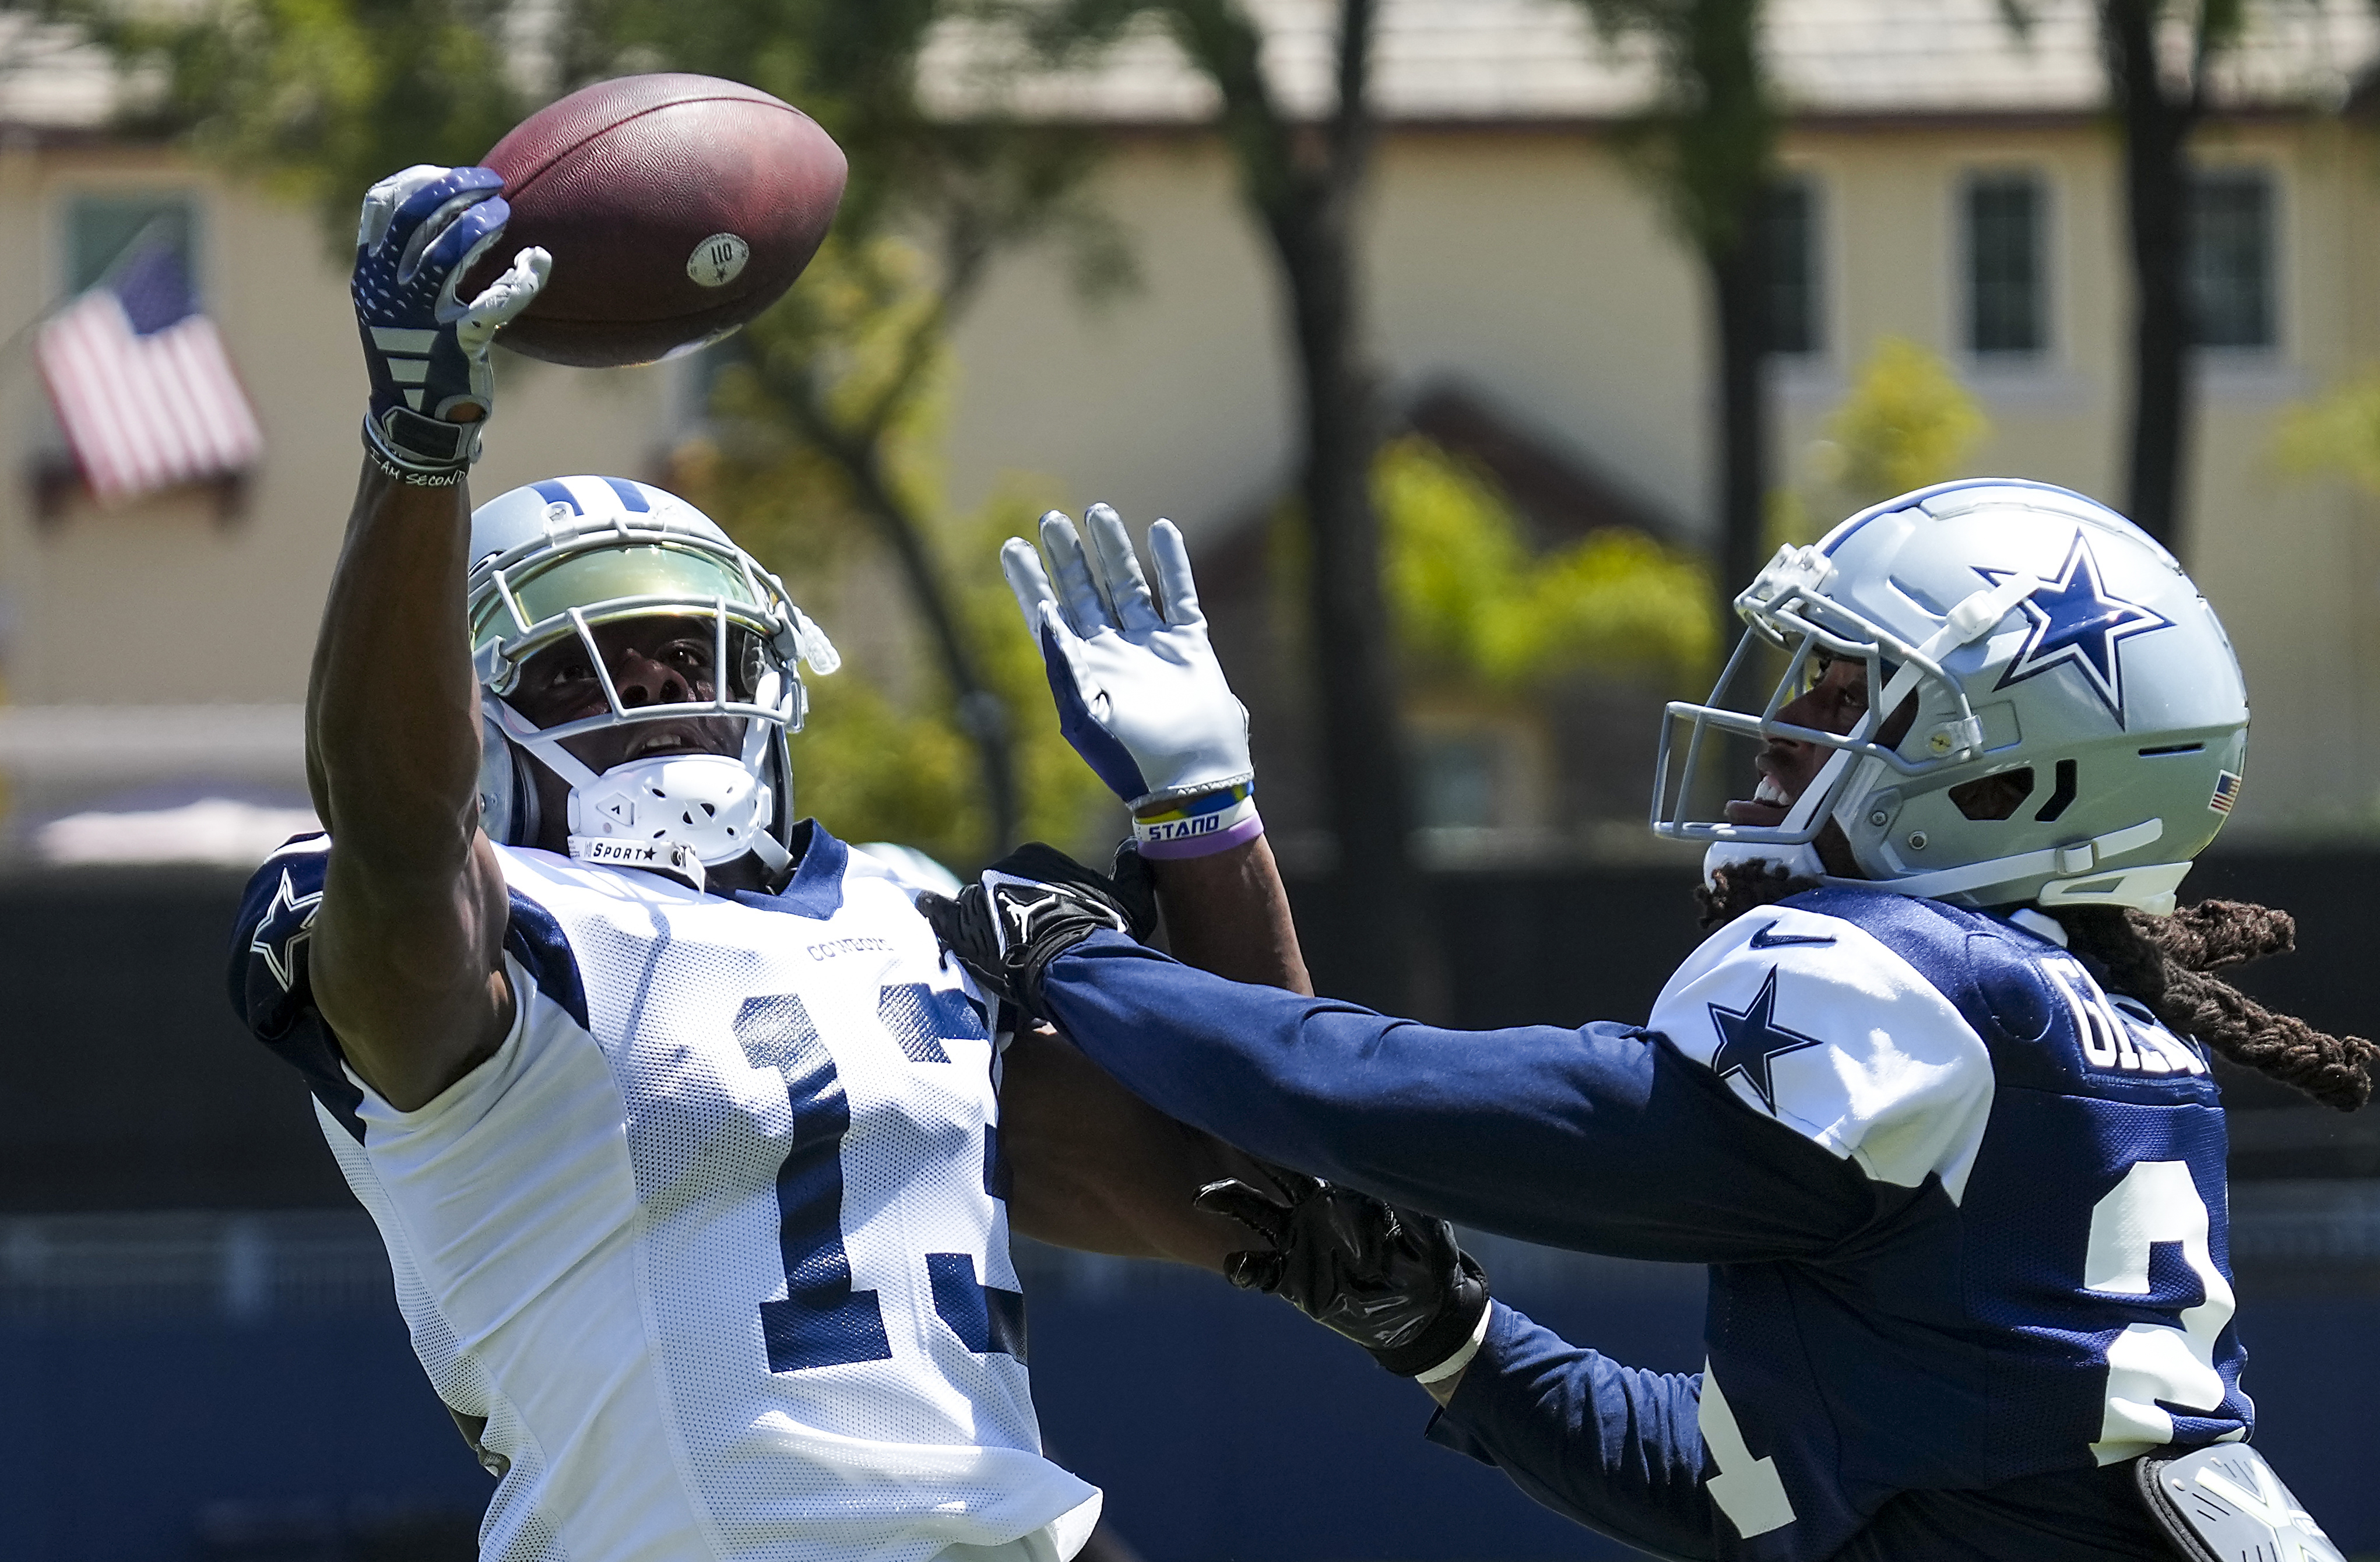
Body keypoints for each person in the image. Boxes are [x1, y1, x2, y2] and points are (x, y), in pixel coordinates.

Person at [927, 484, 2374, 1561]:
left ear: (2005, 781)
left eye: (1839, 694)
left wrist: (1083, 962)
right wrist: (1449, 1335)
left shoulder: (1913, 985)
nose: (1777, 734)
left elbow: (1393, 1104)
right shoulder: (2080, 1032)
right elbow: (1732, 1487)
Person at [227, 164, 1298, 1562]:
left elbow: (1273, 1199)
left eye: (697, 650)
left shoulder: (915, 914)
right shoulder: (481, 925)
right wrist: (418, 445)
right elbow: (396, 833)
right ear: (464, 717)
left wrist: (1204, 817)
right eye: (572, 669)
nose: (659, 686)